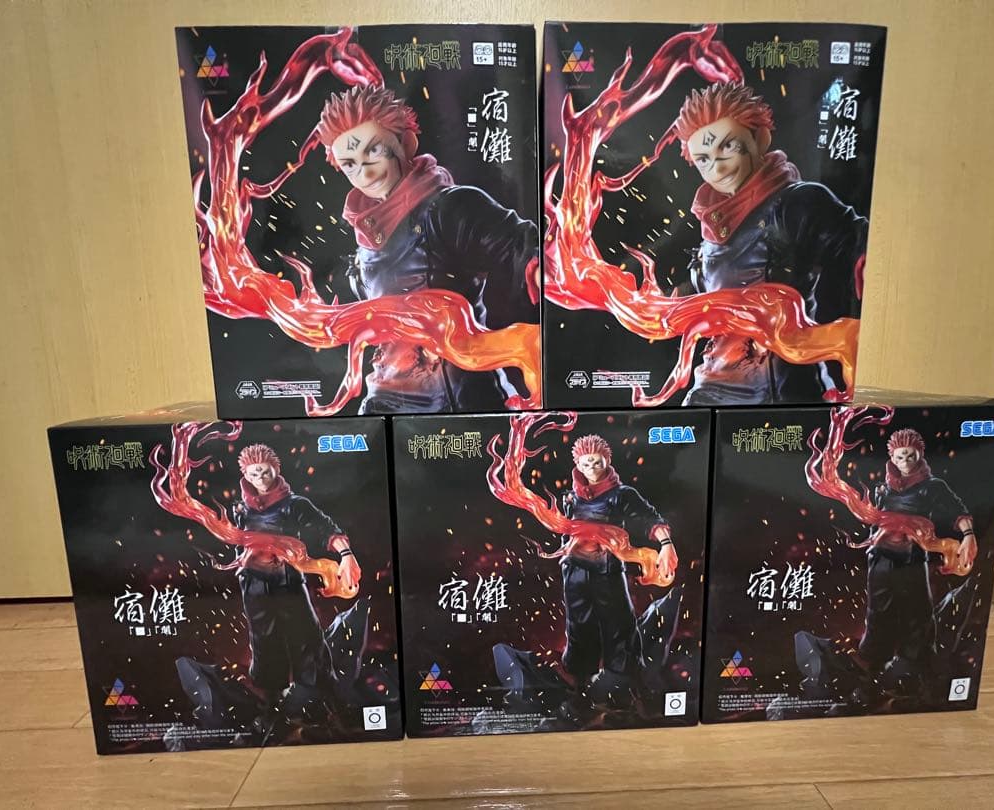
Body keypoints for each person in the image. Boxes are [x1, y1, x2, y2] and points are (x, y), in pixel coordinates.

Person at [315, 85, 539, 413]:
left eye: (373, 151)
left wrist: (541, 269)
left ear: (406, 143)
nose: (365, 173)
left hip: (456, 400)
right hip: (385, 396)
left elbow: (522, 244)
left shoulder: (449, 208)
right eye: (350, 164)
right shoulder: (365, 232)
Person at [672, 82, 868, 405]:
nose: (717, 168)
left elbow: (858, 247)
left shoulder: (797, 203)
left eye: (728, 147)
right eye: (703, 160)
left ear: (760, 138)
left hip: (778, 390)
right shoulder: (711, 225)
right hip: (711, 385)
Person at [231, 443, 360, 706]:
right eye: (254, 474)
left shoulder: (295, 504)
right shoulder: (242, 509)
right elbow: (238, 541)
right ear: (246, 475)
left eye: (265, 472)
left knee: (305, 634)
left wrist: (346, 555)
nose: (260, 479)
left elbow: (326, 528)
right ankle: (272, 697)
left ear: (276, 470)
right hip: (253, 582)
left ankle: (317, 691)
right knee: (263, 638)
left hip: (288, 579)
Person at [858, 428, 977, 696]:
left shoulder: (932, 486)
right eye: (901, 457)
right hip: (880, 557)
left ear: (920, 455)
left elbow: (957, 511)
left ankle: (914, 664)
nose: (906, 462)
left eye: (911, 456)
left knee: (918, 612)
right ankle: (872, 662)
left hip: (912, 558)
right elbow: (875, 520)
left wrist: (969, 535)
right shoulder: (884, 488)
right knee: (877, 611)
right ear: (893, 458)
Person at [559, 434, 677, 687]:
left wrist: (666, 544)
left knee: (619, 622)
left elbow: (649, 519)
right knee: (578, 623)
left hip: (608, 570)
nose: (592, 468)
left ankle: (623, 678)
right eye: (586, 463)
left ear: (607, 461)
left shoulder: (622, 494)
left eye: (597, 462)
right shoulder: (570, 497)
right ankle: (581, 680)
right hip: (574, 570)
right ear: (578, 465)